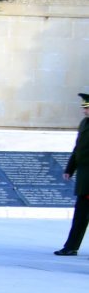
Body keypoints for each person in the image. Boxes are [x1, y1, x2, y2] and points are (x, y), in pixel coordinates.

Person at [57, 92, 89, 255]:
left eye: (87, 108)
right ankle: (71, 247)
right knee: (80, 216)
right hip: (85, 180)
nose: (84, 111)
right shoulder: (84, 123)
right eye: (84, 108)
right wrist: (70, 169)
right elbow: (78, 148)